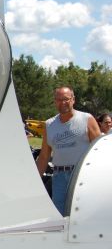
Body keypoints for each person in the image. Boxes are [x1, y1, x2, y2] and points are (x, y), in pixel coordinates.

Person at [35, 86, 101, 216]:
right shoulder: (49, 125)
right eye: (58, 100)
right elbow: (44, 157)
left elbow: (98, 150)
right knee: (59, 215)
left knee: (82, 214)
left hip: (82, 176)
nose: (62, 102)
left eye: (66, 99)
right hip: (59, 176)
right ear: (55, 101)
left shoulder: (86, 119)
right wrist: (35, 181)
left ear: (73, 99)